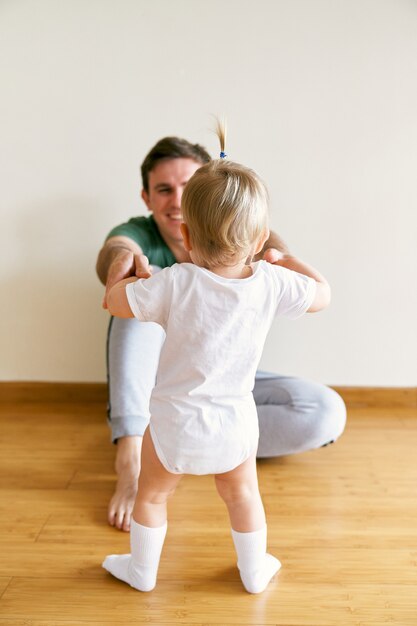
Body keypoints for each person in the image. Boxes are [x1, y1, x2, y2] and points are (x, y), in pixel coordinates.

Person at [101, 129, 331, 593]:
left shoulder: (173, 281)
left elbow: (115, 305)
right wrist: (288, 260)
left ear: (186, 232)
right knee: (243, 495)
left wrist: (128, 277)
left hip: (172, 424)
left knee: (153, 495)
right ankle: (253, 570)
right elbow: (323, 295)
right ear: (261, 235)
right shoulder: (271, 281)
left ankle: (142, 571)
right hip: (235, 423)